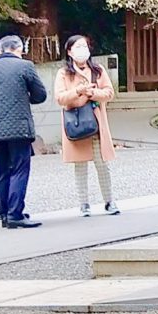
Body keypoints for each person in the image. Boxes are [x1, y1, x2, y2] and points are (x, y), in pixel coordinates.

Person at [0, 33, 48, 229]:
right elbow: (40, 95)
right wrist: (24, 97)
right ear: (19, 49)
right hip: (18, 128)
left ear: (0, 50)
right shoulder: (25, 66)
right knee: (19, 169)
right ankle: (15, 213)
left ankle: (5, 215)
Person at [55, 34, 119, 219]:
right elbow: (60, 98)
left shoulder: (98, 70)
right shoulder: (63, 73)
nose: (83, 50)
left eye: (85, 46)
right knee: (80, 166)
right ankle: (84, 204)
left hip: (96, 123)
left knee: (102, 164)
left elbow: (109, 93)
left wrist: (93, 93)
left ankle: (109, 201)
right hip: (76, 123)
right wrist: (78, 91)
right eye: (78, 47)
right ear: (69, 51)